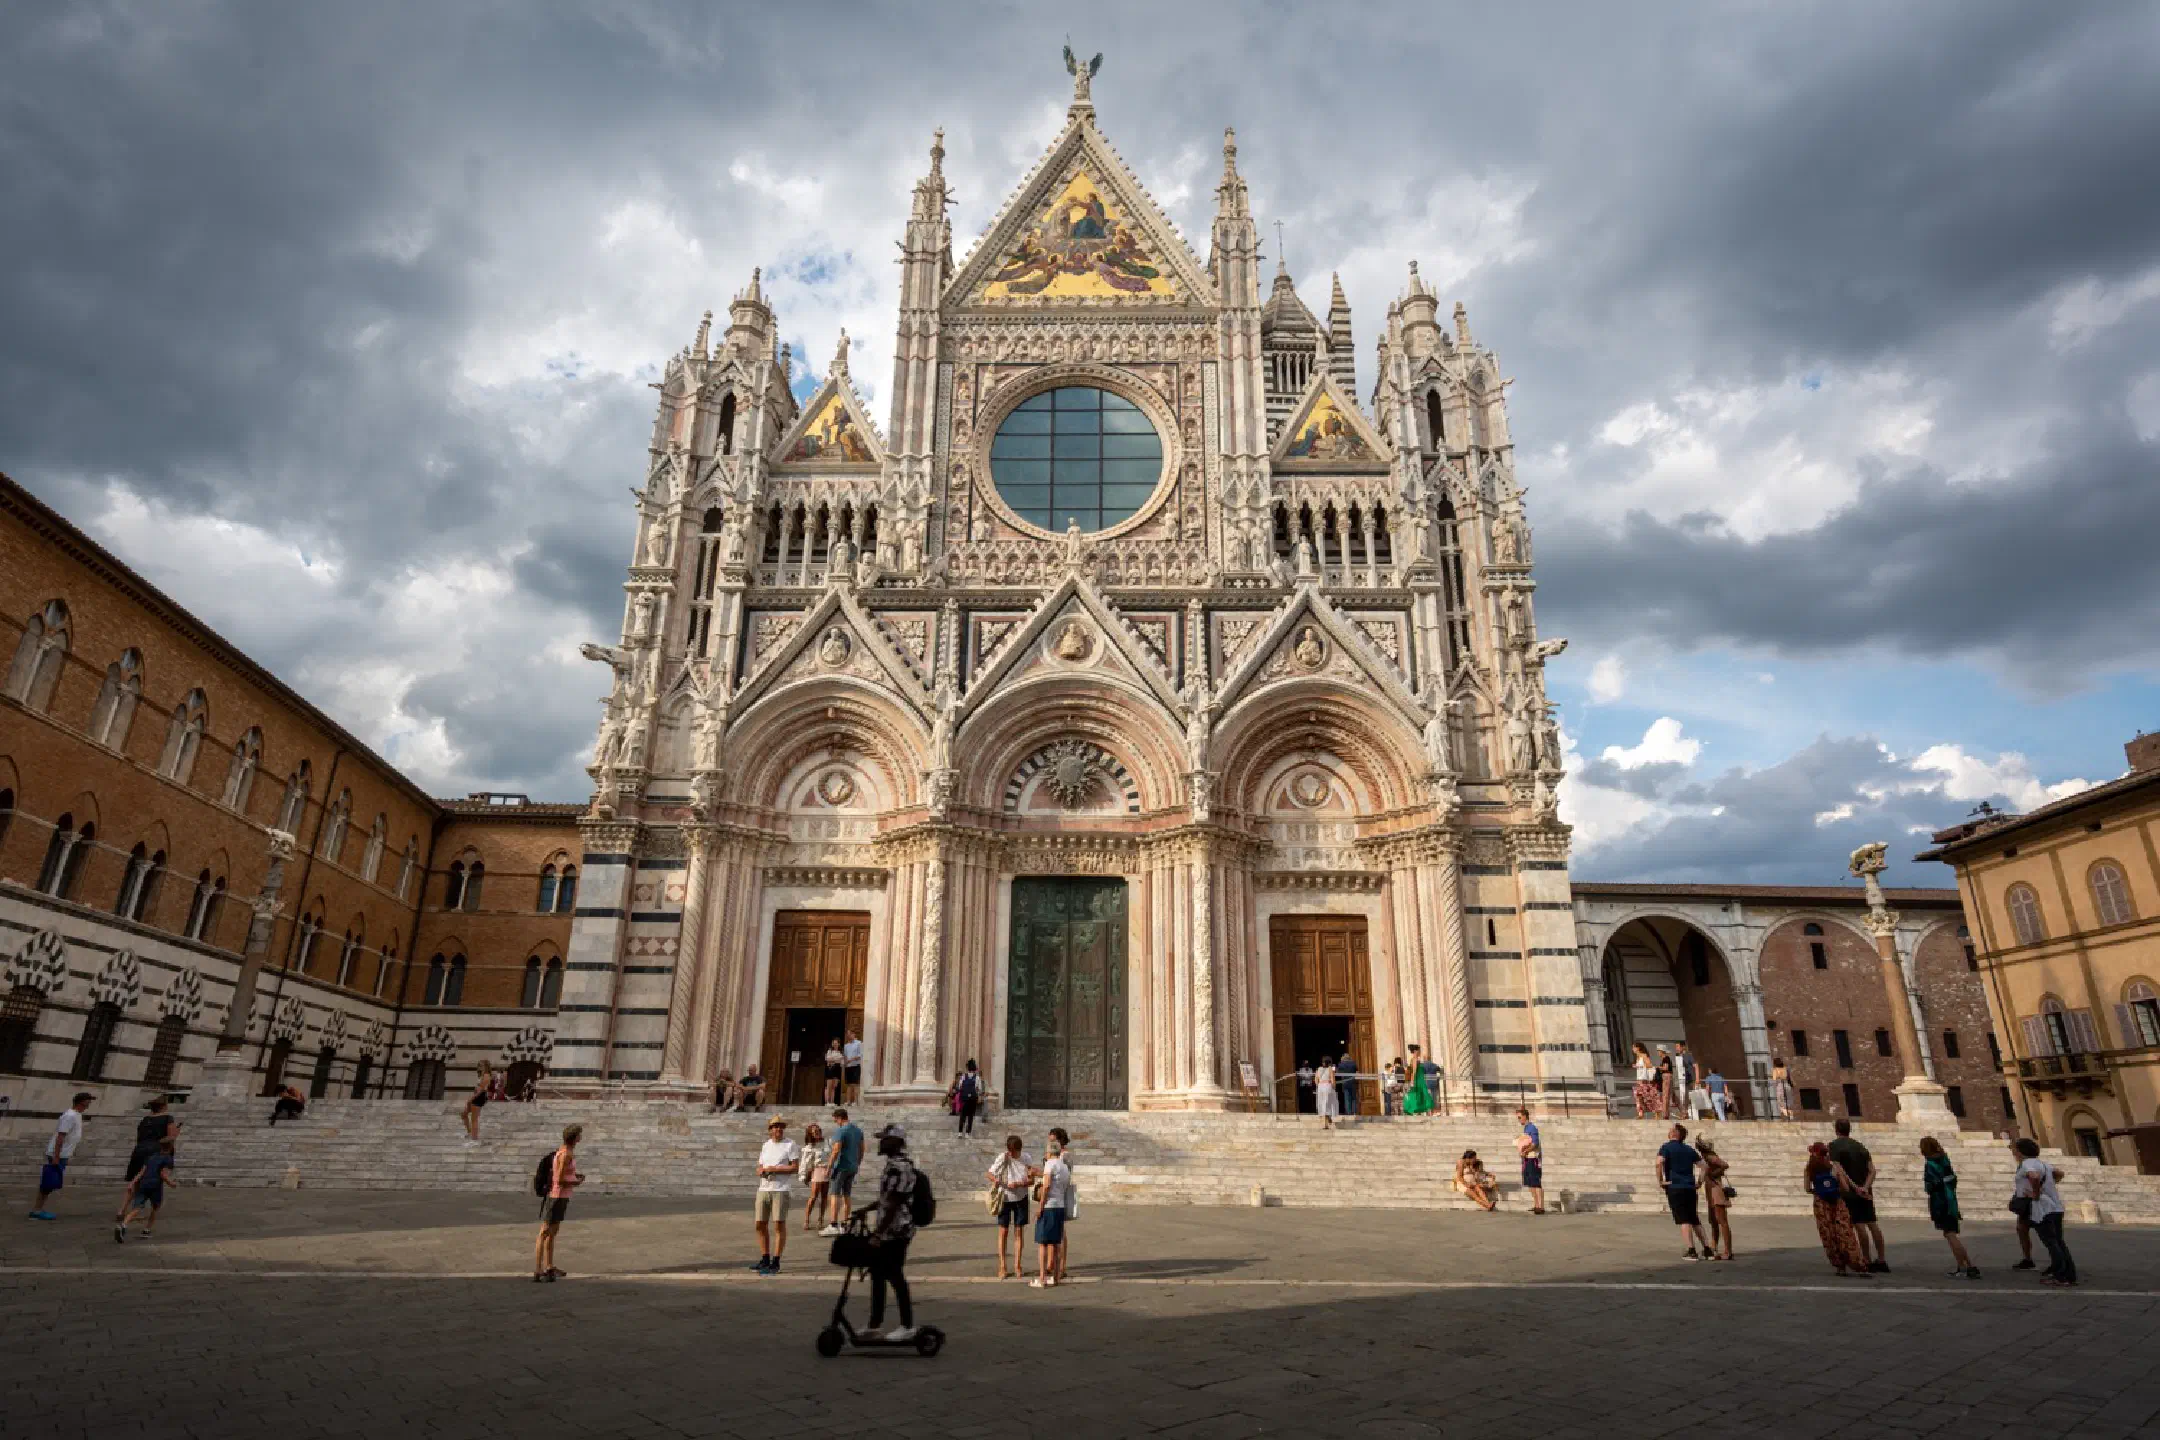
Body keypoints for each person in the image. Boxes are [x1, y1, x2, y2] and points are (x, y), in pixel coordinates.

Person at [862, 1122, 921, 1341]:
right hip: (890, 1227)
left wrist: (878, 1233)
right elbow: (888, 1197)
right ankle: (874, 1325)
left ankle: (907, 1325)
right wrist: (868, 1208)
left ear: (895, 1143)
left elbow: (895, 1201)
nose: (881, 1143)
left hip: (897, 1230)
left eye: (885, 1139)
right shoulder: (894, 1164)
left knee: (894, 1275)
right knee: (877, 1274)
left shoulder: (900, 1167)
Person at [2014, 1137, 2076, 1286]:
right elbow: (2060, 1173)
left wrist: (2035, 1193)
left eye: (2014, 1149)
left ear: (2021, 1151)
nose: (2013, 1151)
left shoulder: (2027, 1163)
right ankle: (2067, 1274)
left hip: (2043, 1209)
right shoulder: (2043, 1164)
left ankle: (2061, 1276)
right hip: (2055, 1207)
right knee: (2058, 1242)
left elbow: (2033, 1176)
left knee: (2051, 1243)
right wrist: (2050, 1186)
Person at [1827, 1119, 1887, 1272]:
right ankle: (1881, 1260)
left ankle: (1865, 1259)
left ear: (1836, 1130)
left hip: (1851, 1192)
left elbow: (1839, 1169)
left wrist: (1856, 1188)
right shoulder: (1860, 1146)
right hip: (1866, 1191)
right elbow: (1873, 1170)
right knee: (1872, 1224)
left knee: (1859, 1225)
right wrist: (1865, 1187)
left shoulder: (1834, 1146)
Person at [1804, 1141, 1870, 1277]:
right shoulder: (1834, 1166)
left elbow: (1807, 1188)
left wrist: (1818, 1191)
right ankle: (1858, 1264)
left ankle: (1840, 1267)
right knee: (1845, 1233)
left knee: (1829, 1235)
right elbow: (1845, 1188)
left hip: (1821, 1205)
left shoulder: (1809, 1168)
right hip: (1837, 1203)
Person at [1920, 1136, 1979, 1279]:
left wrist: (1929, 1186)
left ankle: (1964, 1267)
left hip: (1940, 1202)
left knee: (1950, 1235)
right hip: (1950, 1199)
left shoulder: (1930, 1163)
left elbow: (1932, 1185)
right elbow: (1952, 1179)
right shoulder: (1944, 1159)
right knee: (1951, 1233)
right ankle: (1968, 1266)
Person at [30, 1092, 93, 1220]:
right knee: (48, 1183)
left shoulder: (77, 1115)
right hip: (58, 1154)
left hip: (63, 1154)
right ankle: (37, 1210)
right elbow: (60, 1137)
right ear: (82, 1102)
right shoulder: (69, 1116)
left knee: (50, 1183)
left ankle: (38, 1209)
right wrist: (56, 1156)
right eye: (88, 1100)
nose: (89, 1103)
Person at [116, 1097, 179, 1225]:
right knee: (152, 1181)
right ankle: (141, 1209)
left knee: (136, 1179)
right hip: (155, 1151)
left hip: (140, 1150)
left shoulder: (145, 1119)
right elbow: (171, 1137)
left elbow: (139, 1136)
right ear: (164, 1106)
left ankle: (122, 1210)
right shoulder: (168, 1118)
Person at [533, 1123, 582, 1282]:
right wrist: (575, 1183)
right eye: (579, 1135)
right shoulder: (565, 1154)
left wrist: (575, 1177)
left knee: (553, 1232)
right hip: (557, 1196)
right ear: (574, 1138)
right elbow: (559, 1179)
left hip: (561, 1196)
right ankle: (538, 1269)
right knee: (545, 1232)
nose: (581, 1137)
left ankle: (549, 1266)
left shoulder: (564, 1152)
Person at [752, 1116, 800, 1275]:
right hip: (764, 1188)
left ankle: (776, 1261)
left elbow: (795, 1167)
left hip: (781, 1188)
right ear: (770, 1130)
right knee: (760, 1224)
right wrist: (761, 1171)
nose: (778, 1129)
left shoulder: (790, 1144)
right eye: (774, 1126)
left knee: (778, 1224)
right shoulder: (766, 1145)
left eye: (780, 1126)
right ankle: (765, 1258)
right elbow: (760, 1165)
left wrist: (775, 1169)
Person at [1655, 1123, 1710, 1258]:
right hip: (1690, 1188)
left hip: (1675, 1187)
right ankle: (1707, 1249)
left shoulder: (1666, 1147)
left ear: (1674, 1133)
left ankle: (1691, 1250)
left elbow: (1658, 1163)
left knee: (1684, 1220)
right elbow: (1704, 1167)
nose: (1669, 1132)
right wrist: (1699, 1182)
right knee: (1694, 1219)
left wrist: (1661, 1180)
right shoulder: (1689, 1149)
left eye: (1670, 1130)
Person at [987, 1133, 1035, 1279]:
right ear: (1009, 1150)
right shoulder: (1003, 1158)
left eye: (1017, 1151)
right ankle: (1002, 1266)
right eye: (1013, 1152)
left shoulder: (1026, 1158)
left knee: (1019, 1232)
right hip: (1005, 1198)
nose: (1015, 1154)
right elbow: (988, 1173)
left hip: (1021, 1197)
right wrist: (996, 1180)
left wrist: (1020, 1184)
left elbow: (1032, 1180)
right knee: (1003, 1232)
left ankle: (1017, 1265)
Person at [1032, 1134, 1074, 1287]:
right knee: (1055, 1243)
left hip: (1049, 1206)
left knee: (1043, 1243)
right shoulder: (1064, 1166)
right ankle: (1055, 1277)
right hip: (1060, 1206)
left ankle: (1042, 1278)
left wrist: (1040, 1207)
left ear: (1049, 1152)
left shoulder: (1050, 1164)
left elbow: (1047, 1186)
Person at [114, 1138, 175, 1242]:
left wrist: (132, 1183)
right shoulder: (168, 1159)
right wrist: (171, 1183)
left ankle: (124, 1225)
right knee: (155, 1207)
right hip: (155, 1186)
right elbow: (163, 1175)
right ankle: (147, 1229)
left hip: (143, 1183)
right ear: (171, 1147)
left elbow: (141, 1172)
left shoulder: (151, 1157)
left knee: (137, 1208)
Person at [821, 1107, 863, 1235]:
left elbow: (836, 1150)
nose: (836, 1123)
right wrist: (857, 1163)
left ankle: (833, 1223)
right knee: (847, 1194)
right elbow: (862, 1148)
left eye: (836, 1120)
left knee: (834, 1194)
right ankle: (845, 1223)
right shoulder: (857, 1130)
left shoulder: (841, 1130)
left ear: (839, 1118)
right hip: (852, 1166)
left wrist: (829, 1167)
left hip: (841, 1166)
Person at [1698, 1139, 1734, 1260]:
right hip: (1710, 1192)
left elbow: (1724, 1165)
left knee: (1722, 1221)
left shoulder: (1710, 1156)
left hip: (1716, 1191)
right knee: (1713, 1221)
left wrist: (1715, 1174)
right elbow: (1703, 1173)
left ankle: (1728, 1251)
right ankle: (1714, 1248)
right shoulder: (1705, 1158)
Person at [799, 1122, 831, 1232]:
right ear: (811, 1134)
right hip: (817, 1170)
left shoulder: (827, 1142)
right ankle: (807, 1219)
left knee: (824, 1197)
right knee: (813, 1196)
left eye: (818, 1131)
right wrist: (803, 1175)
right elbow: (804, 1162)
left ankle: (821, 1219)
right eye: (814, 1132)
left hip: (827, 1170)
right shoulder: (810, 1147)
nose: (817, 1133)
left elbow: (832, 1154)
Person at [1514, 1108, 1545, 1215]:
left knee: (1536, 1181)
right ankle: (1536, 1204)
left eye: (1519, 1117)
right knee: (1530, 1182)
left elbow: (1534, 1143)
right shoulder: (1526, 1129)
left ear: (1525, 1116)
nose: (1519, 1120)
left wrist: (1526, 1150)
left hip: (1533, 1159)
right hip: (1527, 1159)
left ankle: (1540, 1206)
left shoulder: (1532, 1128)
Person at [463, 1061, 493, 1143]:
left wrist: (472, 1098)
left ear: (485, 1066)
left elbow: (481, 1089)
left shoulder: (486, 1075)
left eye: (481, 1065)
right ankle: (470, 1133)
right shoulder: (482, 1075)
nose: (479, 1066)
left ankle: (474, 1138)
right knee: (464, 1114)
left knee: (474, 1118)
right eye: (478, 1065)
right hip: (477, 1096)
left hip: (479, 1096)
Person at [955, 1059, 982, 1136]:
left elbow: (960, 1087)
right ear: (974, 1068)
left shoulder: (963, 1076)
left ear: (967, 1068)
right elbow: (979, 1089)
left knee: (962, 1115)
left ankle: (960, 1132)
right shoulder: (977, 1078)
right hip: (972, 1099)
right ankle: (967, 1133)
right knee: (970, 1116)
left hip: (964, 1099)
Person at [1631, 1043, 1658, 1119]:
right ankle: (1640, 1114)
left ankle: (1656, 1112)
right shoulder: (1637, 1057)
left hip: (1644, 1080)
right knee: (1638, 1098)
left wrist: (1639, 1066)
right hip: (1639, 1080)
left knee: (1648, 1097)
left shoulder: (1644, 1055)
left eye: (1634, 1047)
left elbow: (1649, 1065)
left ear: (1638, 1048)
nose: (1632, 1049)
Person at [1672, 1041, 1697, 1119]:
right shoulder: (1679, 1057)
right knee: (1683, 1097)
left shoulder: (1688, 1055)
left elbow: (1696, 1066)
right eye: (1676, 1047)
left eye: (1678, 1046)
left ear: (1683, 1047)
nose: (1676, 1048)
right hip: (1682, 1080)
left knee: (1687, 1097)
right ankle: (1684, 1113)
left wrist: (1697, 1078)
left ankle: (1686, 1113)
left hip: (1689, 1080)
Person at [1313, 1056, 1339, 1129]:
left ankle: (1325, 1121)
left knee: (1322, 1103)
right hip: (1328, 1086)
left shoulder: (1318, 1069)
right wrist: (1333, 1087)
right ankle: (1326, 1123)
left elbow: (1316, 1081)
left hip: (1320, 1087)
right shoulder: (1331, 1069)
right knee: (1328, 1103)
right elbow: (1333, 1080)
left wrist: (1320, 1084)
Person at [1335, 1052, 1359, 1119]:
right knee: (1353, 1098)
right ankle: (1354, 1111)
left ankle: (1348, 1112)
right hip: (1353, 1082)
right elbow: (1357, 1071)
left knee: (1347, 1098)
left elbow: (1338, 1072)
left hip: (1345, 1083)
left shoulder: (1341, 1064)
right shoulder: (1353, 1063)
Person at [842, 1030, 863, 1102]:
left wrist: (851, 1059)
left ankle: (855, 1101)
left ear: (853, 1034)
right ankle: (848, 1101)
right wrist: (844, 1062)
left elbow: (860, 1055)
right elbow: (845, 1056)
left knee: (855, 1084)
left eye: (850, 1034)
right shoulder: (846, 1046)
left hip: (856, 1066)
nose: (848, 1036)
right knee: (848, 1085)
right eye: (847, 1035)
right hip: (848, 1067)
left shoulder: (859, 1043)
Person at [1655, 1046, 1675, 1119]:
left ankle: (1665, 1114)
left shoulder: (1665, 1058)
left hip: (1666, 1076)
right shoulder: (1665, 1058)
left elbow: (1665, 1068)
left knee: (1665, 1096)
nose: (1658, 1053)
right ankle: (1682, 1112)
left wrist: (1657, 1067)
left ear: (1662, 1051)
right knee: (1670, 1095)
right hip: (1668, 1076)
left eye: (1659, 1051)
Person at [822, 1037, 844, 1106]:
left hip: (837, 1069)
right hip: (831, 1069)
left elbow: (842, 1062)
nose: (834, 1044)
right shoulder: (829, 1051)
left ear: (838, 1044)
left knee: (834, 1087)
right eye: (833, 1043)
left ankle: (832, 1102)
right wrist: (836, 1059)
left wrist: (833, 1060)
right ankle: (827, 1102)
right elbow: (828, 1059)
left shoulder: (841, 1052)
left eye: (836, 1043)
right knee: (829, 1086)